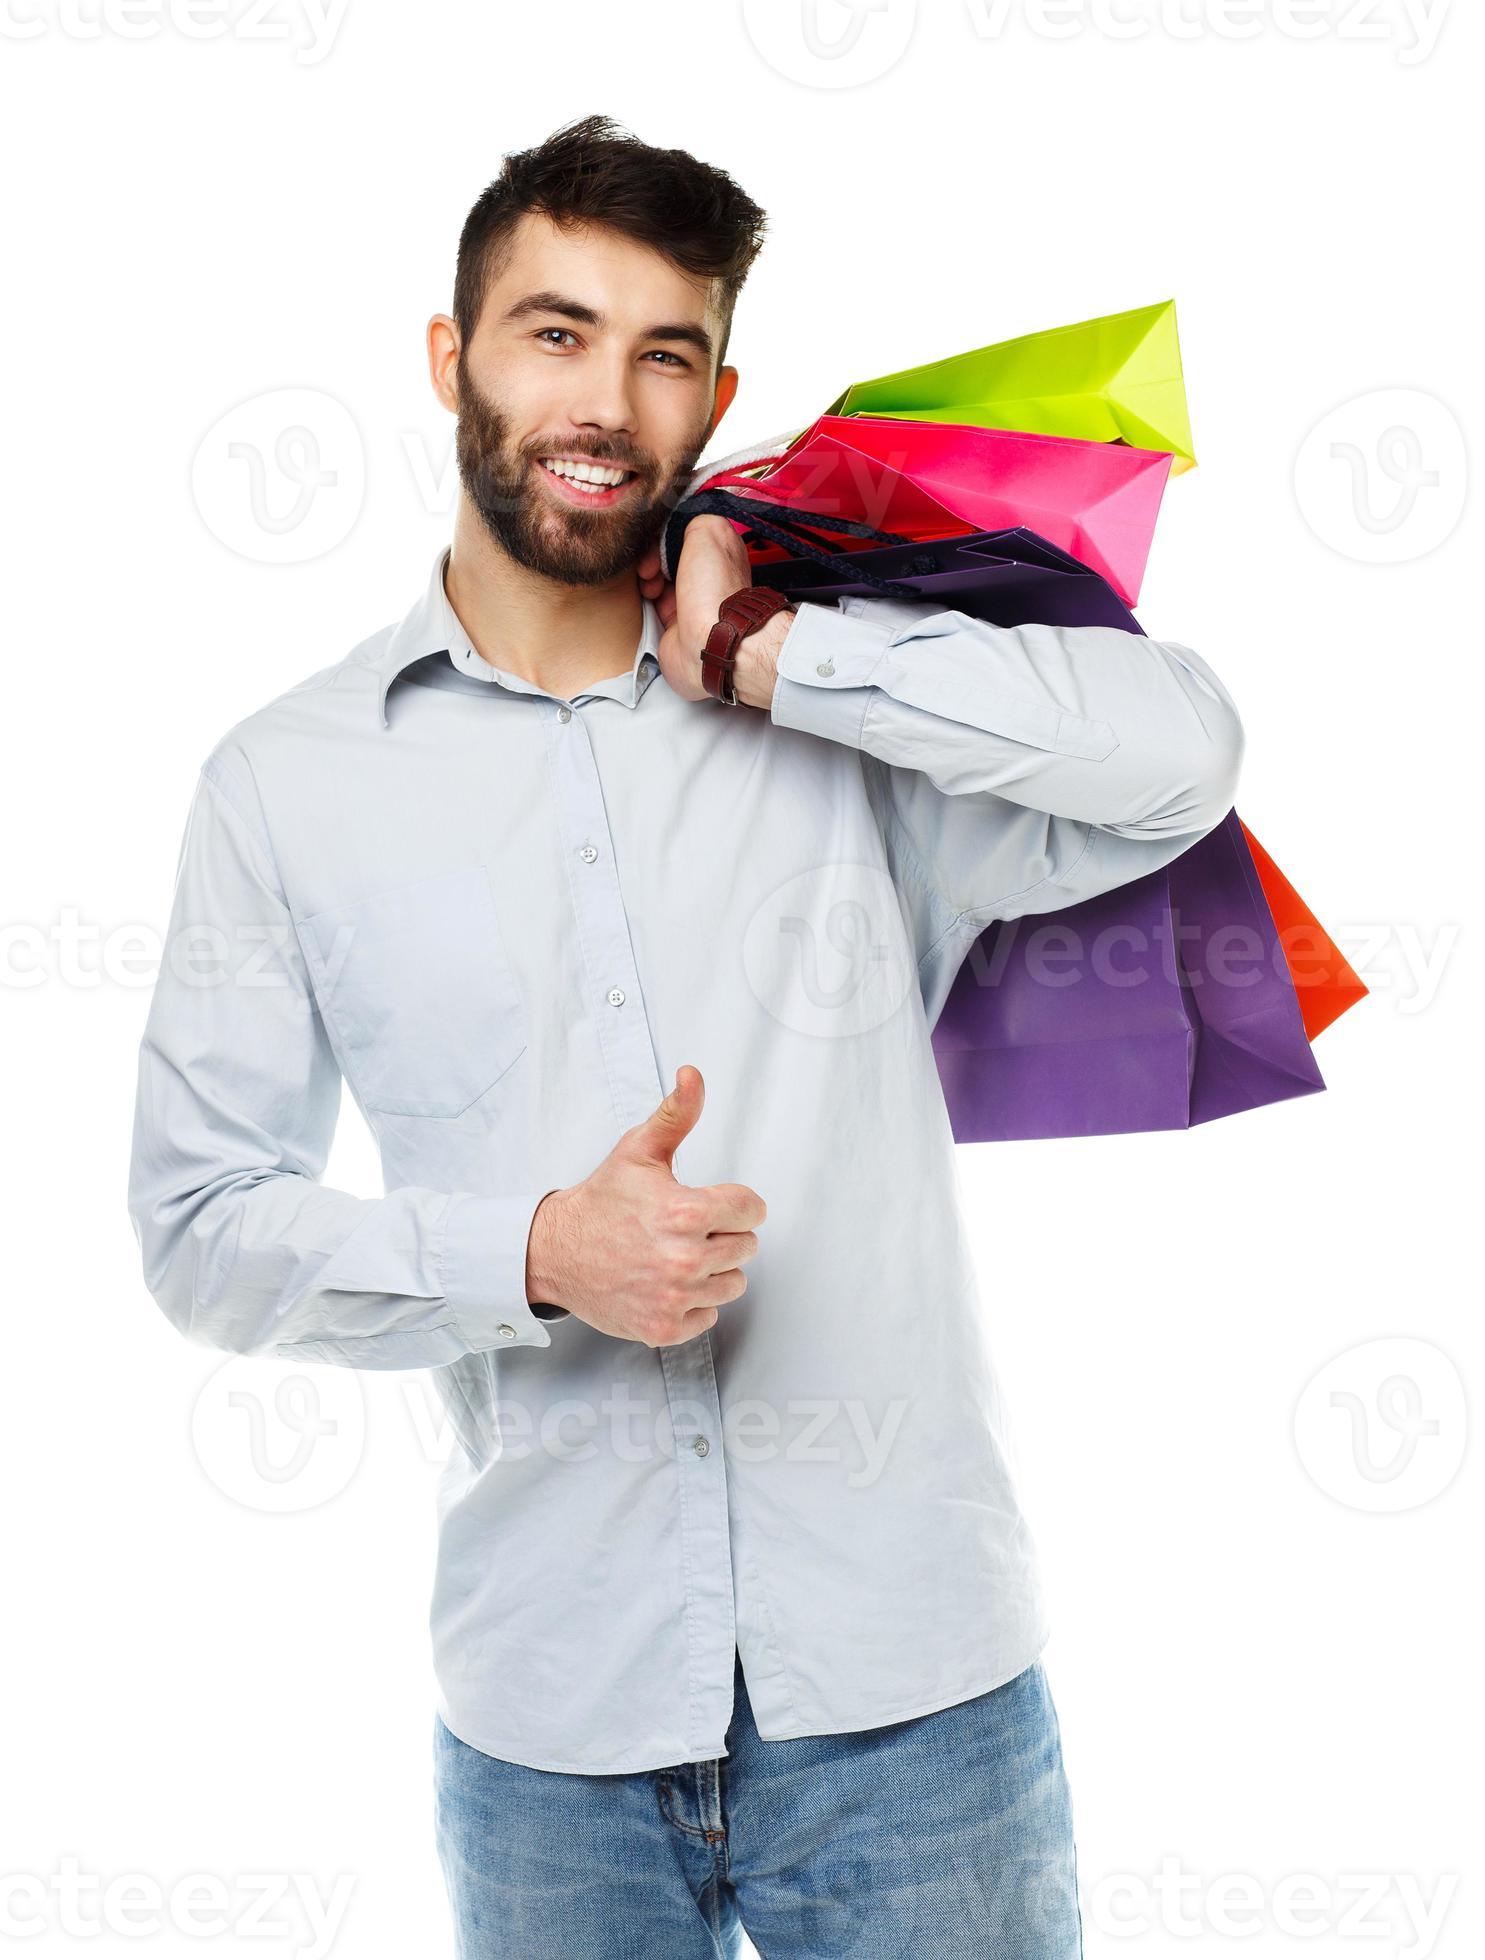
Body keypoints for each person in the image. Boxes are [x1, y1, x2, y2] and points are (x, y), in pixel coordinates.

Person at [128, 113, 1244, 1958]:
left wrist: (783, 660)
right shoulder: (282, 787)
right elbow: (198, 1225)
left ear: (715, 399)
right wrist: (538, 1256)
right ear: (449, 357)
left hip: (916, 1709)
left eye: (662, 354)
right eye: (554, 332)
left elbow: (1179, 760)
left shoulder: (840, 719)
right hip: (547, 1729)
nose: (603, 401)